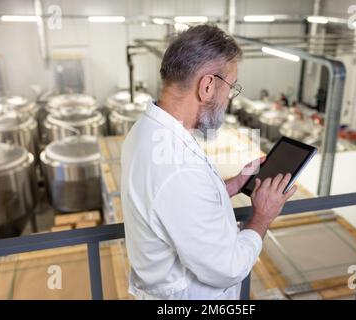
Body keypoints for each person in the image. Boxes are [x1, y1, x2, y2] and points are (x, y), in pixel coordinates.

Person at [121, 24, 297, 300]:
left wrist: (233, 184)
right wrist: (263, 215)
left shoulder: (147, 131)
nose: (229, 99)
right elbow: (227, 268)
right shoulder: (179, 169)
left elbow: (176, 206)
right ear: (207, 86)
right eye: (230, 88)